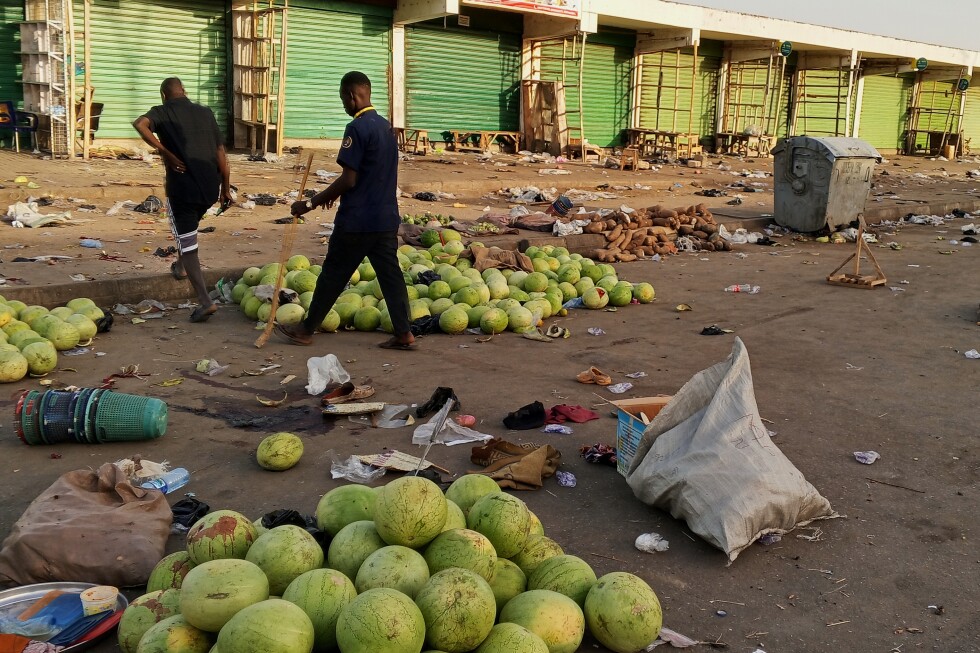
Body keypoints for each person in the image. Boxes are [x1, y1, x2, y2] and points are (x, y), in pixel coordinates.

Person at [275, 71, 414, 350]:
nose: (343, 104)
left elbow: (349, 179)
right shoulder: (387, 128)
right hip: (385, 218)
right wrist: (334, 194)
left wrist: (310, 203)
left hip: (358, 220)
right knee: (391, 276)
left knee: (333, 274)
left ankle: (306, 329)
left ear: (351, 96)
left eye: (342, 98)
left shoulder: (357, 128)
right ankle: (404, 332)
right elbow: (370, 174)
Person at [133, 77, 232, 323]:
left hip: (182, 189)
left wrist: (165, 151)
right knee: (187, 232)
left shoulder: (162, 112)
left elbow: (140, 124)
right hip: (210, 187)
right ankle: (181, 266)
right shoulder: (205, 112)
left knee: (188, 241)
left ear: (163, 95)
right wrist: (226, 188)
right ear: (184, 91)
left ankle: (205, 301)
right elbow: (221, 153)